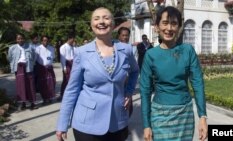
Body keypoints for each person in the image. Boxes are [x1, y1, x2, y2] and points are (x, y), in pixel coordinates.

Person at [56, 7, 139, 141]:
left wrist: (129, 92)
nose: (101, 22)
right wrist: (62, 124)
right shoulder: (81, 53)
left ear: (113, 24)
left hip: (118, 121)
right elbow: (72, 90)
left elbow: (135, 71)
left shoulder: (126, 50)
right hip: (87, 124)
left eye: (106, 18)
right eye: (96, 18)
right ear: (91, 24)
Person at [140, 6, 208, 141]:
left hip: (185, 115)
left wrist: (203, 117)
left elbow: (198, 83)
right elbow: (145, 91)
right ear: (157, 26)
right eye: (165, 23)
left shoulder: (188, 51)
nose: (169, 28)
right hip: (160, 115)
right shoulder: (150, 55)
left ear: (179, 27)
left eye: (174, 24)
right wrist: (146, 125)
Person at [7, 33, 38, 111]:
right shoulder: (12, 48)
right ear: (16, 39)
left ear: (24, 39)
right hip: (19, 68)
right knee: (21, 86)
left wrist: (31, 64)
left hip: (28, 68)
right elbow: (9, 58)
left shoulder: (30, 47)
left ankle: (32, 103)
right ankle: (23, 103)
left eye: (21, 38)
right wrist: (14, 66)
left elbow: (34, 57)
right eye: (18, 38)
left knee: (30, 85)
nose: (20, 40)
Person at [35, 35, 56, 105]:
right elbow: (36, 60)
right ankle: (45, 99)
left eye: (47, 40)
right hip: (42, 69)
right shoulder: (38, 49)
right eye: (44, 40)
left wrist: (49, 64)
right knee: (43, 85)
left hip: (50, 68)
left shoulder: (52, 48)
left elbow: (52, 58)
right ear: (41, 41)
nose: (46, 42)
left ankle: (50, 98)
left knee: (51, 83)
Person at [58, 33, 76, 101]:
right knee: (66, 80)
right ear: (69, 39)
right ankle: (62, 94)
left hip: (72, 64)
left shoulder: (73, 47)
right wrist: (64, 67)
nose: (73, 41)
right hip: (67, 64)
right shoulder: (63, 47)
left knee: (72, 80)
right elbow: (62, 58)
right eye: (72, 39)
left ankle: (71, 94)